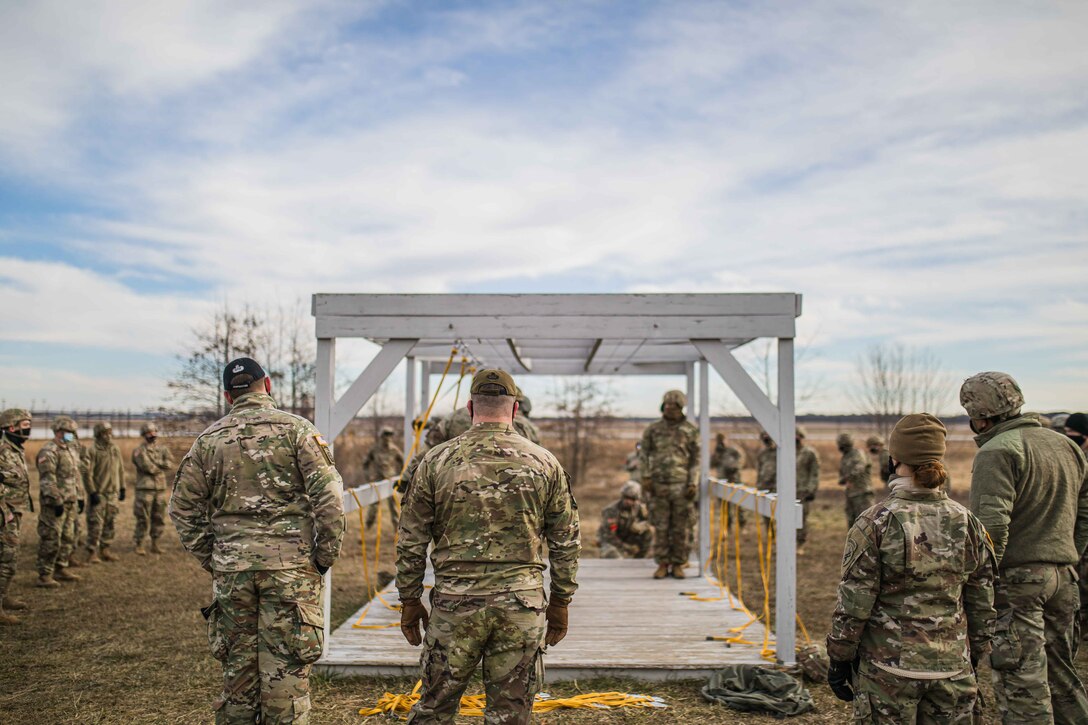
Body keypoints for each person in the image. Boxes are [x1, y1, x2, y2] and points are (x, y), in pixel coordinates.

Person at [397, 368, 579, 724]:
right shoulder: (545, 463)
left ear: (469, 408)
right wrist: (560, 601)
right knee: (511, 713)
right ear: (514, 410)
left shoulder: (436, 461)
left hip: (454, 606)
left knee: (435, 708)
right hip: (520, 607)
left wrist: (408, 598)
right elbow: (566, 540)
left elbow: (410, 539)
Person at [170, 356, 345, 723]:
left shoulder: (208, 441)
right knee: (286, 677)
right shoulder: (297, 430)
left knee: (239, 678)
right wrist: (322, 558)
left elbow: (182, 508)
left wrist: (216, 557)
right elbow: (330, 500)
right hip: (290, 571)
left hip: (233, 573)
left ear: (226, 395)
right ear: (267, 385)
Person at [827, 413, 997, 722]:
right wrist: (975, 653)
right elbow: (982, 598)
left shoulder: (875, 521)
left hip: (888, 672)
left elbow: (854, 603)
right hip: (953, 668)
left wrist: (839, 658)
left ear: (894, 458)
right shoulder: (968, 521)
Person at [960, 371, 1088, 723]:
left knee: (1022, 684)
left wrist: (981, 585)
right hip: (1064, 578)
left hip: (1018, 585)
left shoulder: (996, 451)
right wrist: (1067, 554)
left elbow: (991, 528)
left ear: (979, 417)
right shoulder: (1065, 445)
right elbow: (1085, 509)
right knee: (1062, 677)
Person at [640, 389, 699, 579]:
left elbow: (696, 459)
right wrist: (646, 476)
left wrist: (693, 482)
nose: (670, 409)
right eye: (667, 406)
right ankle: (663, 563)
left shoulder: (690, 430)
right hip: (659, 485)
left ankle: (678, 563)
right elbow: (644, 454)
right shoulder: (653, 429)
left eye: (674, 406)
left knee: (681, 527)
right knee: (661, 526)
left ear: (681, 407)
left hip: (681, 486)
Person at [36, 415, 85, 587]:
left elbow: (75, 476)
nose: (72, 435)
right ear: (58, 432)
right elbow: (47, 480)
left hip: (70, 500)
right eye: (69, 432)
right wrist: (56, 500)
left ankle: (61, 567)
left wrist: (79, 497)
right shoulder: (49, 451)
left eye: (73, 432)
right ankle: (45, 574)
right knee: (51, 538)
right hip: (55, 504)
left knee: (68, 536)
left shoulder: (70, 450)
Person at [0, 409, 33, 623]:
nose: (28, 428)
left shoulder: (15, 449)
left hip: (14, 510)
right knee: (5, 557)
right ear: (11, 427)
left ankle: (4, 597)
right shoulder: (2, 450)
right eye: (24, 424)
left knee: (10, 557)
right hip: (5, 513)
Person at [83, 422, 126, 563]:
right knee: (95, 524)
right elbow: (87, 474)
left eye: (110, 432)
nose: (108, 435)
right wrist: (92, 492)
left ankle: (105, 549)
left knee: (110, 522)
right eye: (105, 433)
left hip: (112, 494)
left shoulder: (115, 449)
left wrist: (122, 487)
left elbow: (120, 469)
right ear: (98, 435)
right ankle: (91, 552)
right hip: (99, 494)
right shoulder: (92, 450)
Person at [132, 421, 174, 555]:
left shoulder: (163, 449)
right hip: (145, 489)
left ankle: (155, 543)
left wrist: (158, 463)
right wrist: (160, 465)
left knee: (159, 517)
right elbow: (147, 467)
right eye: (149, 433)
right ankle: (140, 544)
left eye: (154, 432)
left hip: (160, 489)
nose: (152, 434)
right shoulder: (139, 451)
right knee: (142, 517)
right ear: (144, 435)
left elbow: (170, 463)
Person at [597, 481, 652, 559]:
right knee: (614, 556)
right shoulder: (611, 510)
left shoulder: (639, 508)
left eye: (632, 499)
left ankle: (639, 559)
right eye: (626, 497)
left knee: (648, 534)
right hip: (610, 542)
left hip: (627, 537)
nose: (628, 501)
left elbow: (651, 521)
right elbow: (609, 536)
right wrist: (627, 548)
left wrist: (641, 526)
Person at [362, 427, 403, 528]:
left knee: (394, 506)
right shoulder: (374, 450)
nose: (388, 437)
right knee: (374, 505)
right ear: (381, 436)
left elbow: (403, 462)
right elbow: (365, 464)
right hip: (377, 479)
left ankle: (397, 530)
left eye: (390, 435)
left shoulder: (394, 449)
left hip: (391, 481)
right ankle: (367, 527)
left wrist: (401, 476)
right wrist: (369, 477)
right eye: (386, 434)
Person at [837, 433, 873, 528]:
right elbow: (842, 473)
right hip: (851, 494)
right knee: (851, 522)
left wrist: (847, 478)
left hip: (862, 493)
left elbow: (859, 468)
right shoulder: (845, 457)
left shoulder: (858, 454)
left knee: (864, 523)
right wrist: (843, 480)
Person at [795, 427, 820, 555]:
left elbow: (814, 473)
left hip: (802, 491)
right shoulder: (785, 452)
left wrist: (811, 489)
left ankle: (800, 543)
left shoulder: (809, 453)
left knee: (801, 518)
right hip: (788, 491)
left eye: (797, 436)